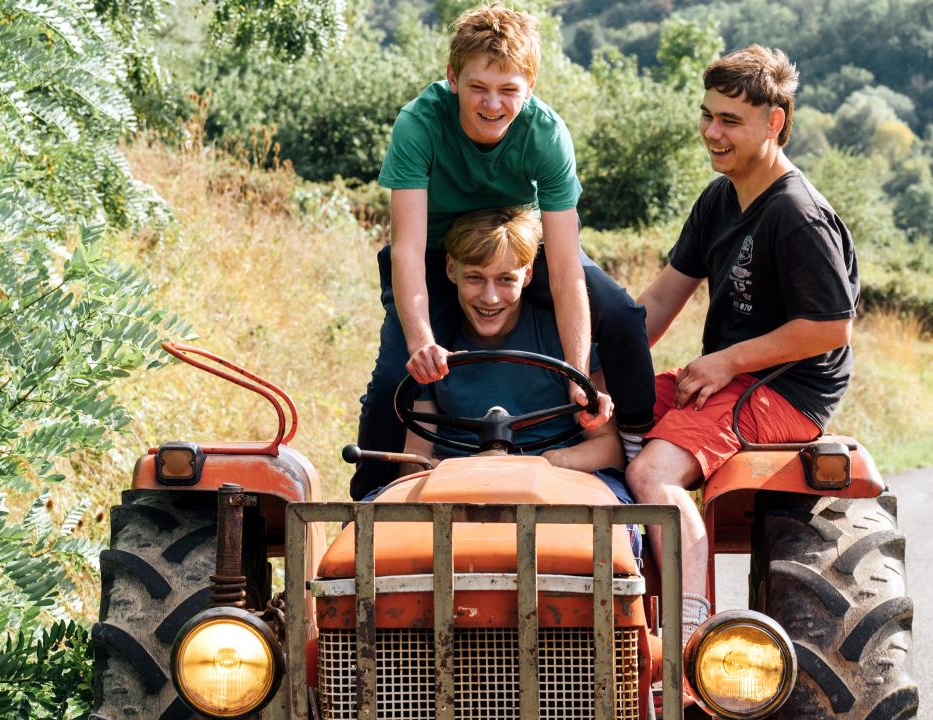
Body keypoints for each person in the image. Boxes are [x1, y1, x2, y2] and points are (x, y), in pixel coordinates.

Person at [353, 3, 655, 500]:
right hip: (436, 255)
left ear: (529, 87)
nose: (492, 104)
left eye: (508, 91)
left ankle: (636, 448)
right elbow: (406, 249)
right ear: (453, 78)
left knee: (621, 315)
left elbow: (563, 268)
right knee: (393, 379)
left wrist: (578, 375)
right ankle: (366, 499)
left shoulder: (547, 135)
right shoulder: (419, 125)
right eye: (478, 88)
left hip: (513, 246)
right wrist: (421, 341)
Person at [625, 46, 859, 644]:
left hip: (785, 390)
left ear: (773, 122)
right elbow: (659, 303)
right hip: (727, 377)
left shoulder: (797, 215)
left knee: (654, 475)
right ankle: (613, 604)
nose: (712, 132)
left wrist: (727, 359)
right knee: (595, 425)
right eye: (707, 115)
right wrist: (595, 373)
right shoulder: (721, 197)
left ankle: (692, 635)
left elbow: (832, 326)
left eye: (729, 121)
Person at [375, 207, 640, 554]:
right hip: (455, 487)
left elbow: (608, 446)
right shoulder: (433, 345)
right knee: (368, 537)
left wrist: (547, 464)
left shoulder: (563, 336)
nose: (490, 298)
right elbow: (417, 455)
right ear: (451, 270)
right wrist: (450, 476)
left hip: (559, 483)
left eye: (505, 279)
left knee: (611, 540)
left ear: (528, 274)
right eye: (474, 278)